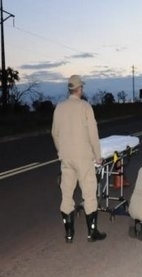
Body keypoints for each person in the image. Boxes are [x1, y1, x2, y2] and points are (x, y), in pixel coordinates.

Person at [51, 75, 106, 243]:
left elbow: (54, 133)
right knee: (89, 193)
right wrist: (98, 156)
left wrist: (61, 151)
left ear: (69, 89)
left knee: (66, 194)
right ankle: (92, 233)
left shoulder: (59, 107)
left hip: (66, 158)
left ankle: (69, 234)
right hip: (83, 157)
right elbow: (93, 134)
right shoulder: (85, 107)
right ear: (80, 89)